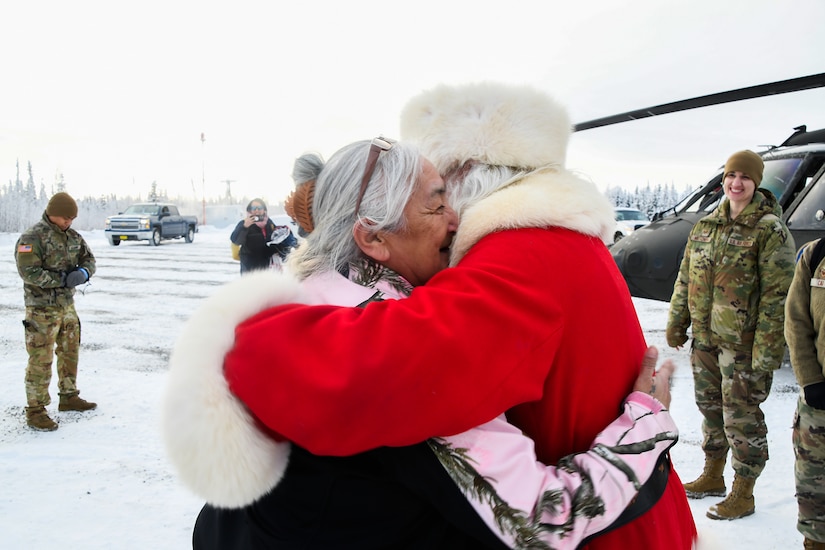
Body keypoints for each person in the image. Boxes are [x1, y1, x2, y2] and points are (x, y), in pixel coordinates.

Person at [200, 82, 698, 548]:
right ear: (372, 237)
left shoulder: (310, 294)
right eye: (438, 205)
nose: (458, 220)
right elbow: (541, 519)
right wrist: (643, 428)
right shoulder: (397, 337)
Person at [667, 149, 796, 520]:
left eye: (744, 177)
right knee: (710, 411)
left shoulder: (769, 228)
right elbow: (685, 277)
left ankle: (745, 491)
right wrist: (678, 321)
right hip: (706, 340)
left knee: (741, 415)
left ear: (756, 183)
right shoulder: (706, 225)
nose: (736, 183)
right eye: (731, 176)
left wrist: (767, 351)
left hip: (743, 344)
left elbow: (777, 295)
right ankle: (712, 476)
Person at [14, 192, 97, 431]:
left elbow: (89, 259)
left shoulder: (73, 237)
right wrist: (61, 279)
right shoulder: (32, 237)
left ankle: (69, 396)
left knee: (70, 351)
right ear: (52, 213)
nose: (68, 222)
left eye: (72, 218)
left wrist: (84, 273)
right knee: (40, 359)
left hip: (67, 306)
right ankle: (36, 410)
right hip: (41, 309)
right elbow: (29, 272)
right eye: (65, 218)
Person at [785, 238, 825, 549]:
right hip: (820, 398)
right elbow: (796, 319)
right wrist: (810, 380)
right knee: (814, 487)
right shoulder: (816, 255)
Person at [230, 198, 297, 274]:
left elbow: (273, 240)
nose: (257, 210)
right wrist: (245, 227)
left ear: (264, 210)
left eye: (260, 208)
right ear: (249, 210)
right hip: (250, 268)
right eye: (253, 208)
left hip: (267, 267)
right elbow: (235, 240)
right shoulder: (244, 223)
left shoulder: (269, 223)